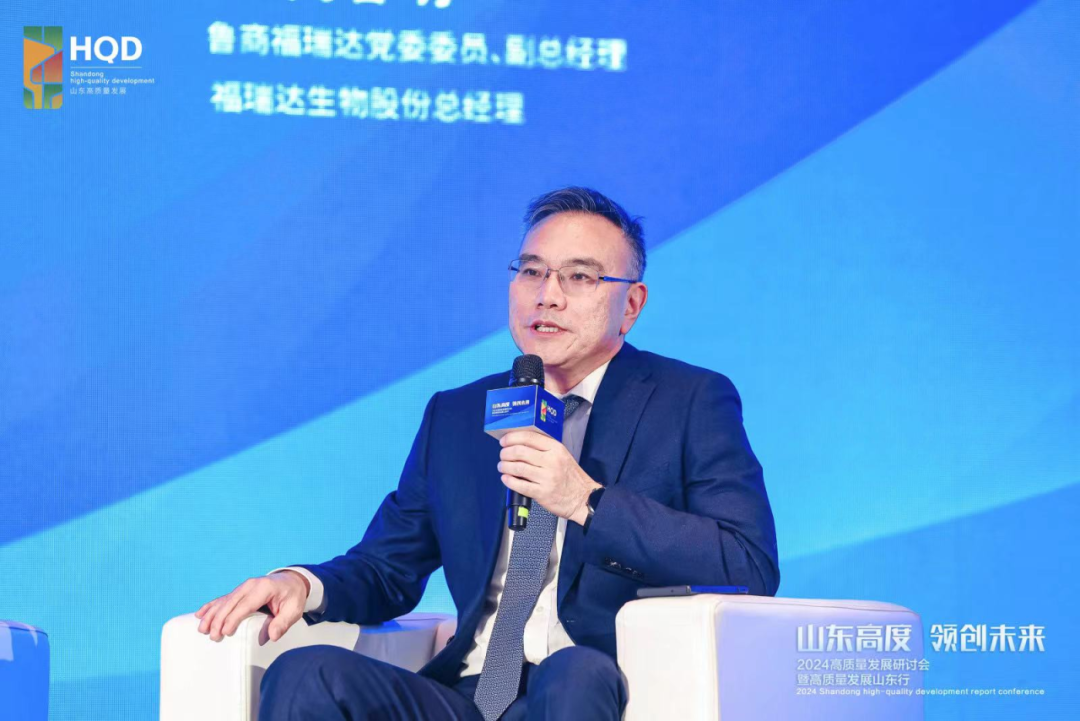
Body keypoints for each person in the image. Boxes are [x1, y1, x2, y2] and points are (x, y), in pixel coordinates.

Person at [194, 187, 780, 720]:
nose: (547, 296)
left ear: (631, 305)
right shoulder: (456, 414)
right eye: (532, 271)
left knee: (573, 673)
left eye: (579, 277)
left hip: (591, 687)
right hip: (468, 695)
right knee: (307, 672)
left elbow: (747, 563)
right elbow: (388, 569)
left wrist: (586, 501)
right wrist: (302, 584)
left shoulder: (688, 400)